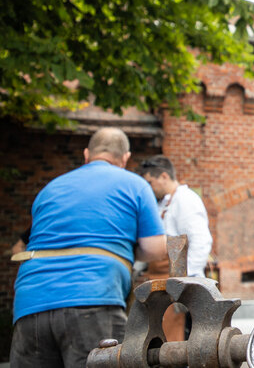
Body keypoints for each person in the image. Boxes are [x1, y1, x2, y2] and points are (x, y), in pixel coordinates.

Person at [10, 127, 166, 368]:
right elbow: (155, 248)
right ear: (125, 158)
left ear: (86, 154)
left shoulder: (49, 189)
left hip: (30, 301)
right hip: (92, 297)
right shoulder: (135, 185)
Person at [137, 154, 213, 341]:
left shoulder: (186, 200)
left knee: (175, 341)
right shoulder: (162, 203)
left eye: (150, 182)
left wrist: (188, 280)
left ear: (164, 176)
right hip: (159, 278)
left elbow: (201, 241)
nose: (149, 188)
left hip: (177, 278)